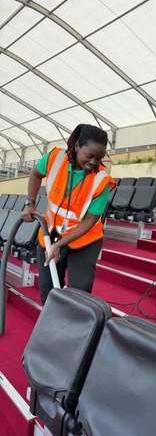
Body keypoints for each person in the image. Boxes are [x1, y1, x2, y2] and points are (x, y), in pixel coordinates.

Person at [21, 124, 116, 304]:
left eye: (99, 158)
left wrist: (60, 245)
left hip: (85, 240)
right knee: (48, 290)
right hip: (52, 233)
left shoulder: (102, 181)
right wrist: (30, 204)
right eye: (89, 156)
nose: (94, 163)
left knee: (79, 293)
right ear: (77, 146)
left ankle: (76, 329)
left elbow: (89, 221)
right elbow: (35, 174)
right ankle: (53, 326)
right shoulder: (54, 158)